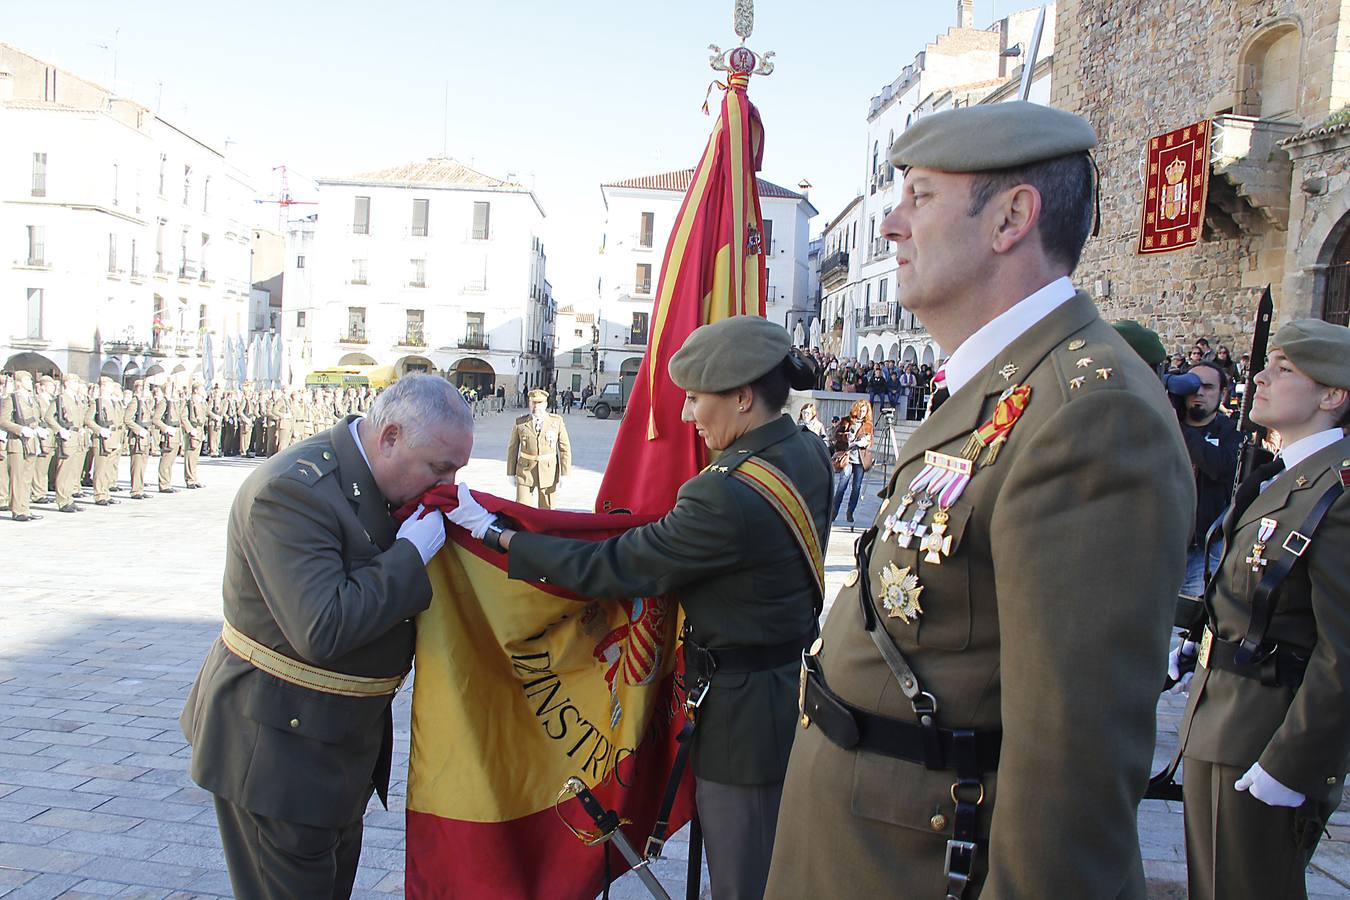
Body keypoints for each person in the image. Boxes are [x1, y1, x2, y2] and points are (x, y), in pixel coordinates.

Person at [767, 101, 1193, 898]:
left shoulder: (1090, 411)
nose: (891, 224)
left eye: (920, 196)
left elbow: (1074, 769)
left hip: (926, 863)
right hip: (861, 842)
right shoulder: (1001, 384)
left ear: (1011, 219)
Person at [447, 316, 831, 900]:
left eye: (696, 399)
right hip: (787, 696)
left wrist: (503, 539)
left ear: (744, 398)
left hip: (743, 724)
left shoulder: (724, 492)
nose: (686, 416)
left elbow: (614, 565)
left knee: (744, 880)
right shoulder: (804, 450)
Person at [180, 374, 469, 899]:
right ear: (390, 438)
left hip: (335, 747)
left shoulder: (379, 484)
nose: (444, 484)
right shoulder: (292, 492)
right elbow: (322, 626)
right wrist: (409, 556)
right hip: (276, 751)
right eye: (439, 467)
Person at [1174, 319, 1350, 900]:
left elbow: (1342, 652)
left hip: (1265, 736)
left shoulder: (1338, 491)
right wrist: (1201, 633)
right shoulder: (1288, 474)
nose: (1259, 377)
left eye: (1284, 369)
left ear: (1333, 395)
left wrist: (1292, 763)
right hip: (1221, 721)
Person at [1178, 361, 1241, 597]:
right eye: (1192, 387)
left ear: (1222, 393)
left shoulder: (1231, 433)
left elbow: (1219, 467)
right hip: (1162, 546)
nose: (1199, 393)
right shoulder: (1163, 427)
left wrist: (1180, 428)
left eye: (1208, 387)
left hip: (1204, 551)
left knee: (1190, 625)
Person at [506, 388, 572, 509]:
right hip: (525, 471)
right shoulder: (520, 423)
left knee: (547, 510)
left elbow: (564, 449)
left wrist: (565, 473)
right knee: (522, 509)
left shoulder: (556, 422)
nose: (536, 406)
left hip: (548, 471)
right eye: (533, 402)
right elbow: (513, 449)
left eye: (539, 402)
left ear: (546, 404)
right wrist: (510, 473)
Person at [1, 371, 45, 522]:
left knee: (27, 478)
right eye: (27, 380)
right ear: (18, 382)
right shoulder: (11, 399)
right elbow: (3, 421)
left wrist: (37, 429)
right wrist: (20, 430)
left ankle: (24, 507)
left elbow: (35, 419)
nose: (30, 382)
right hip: (17, 443)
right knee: (18, 478)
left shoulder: (31, 400)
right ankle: (18, 510)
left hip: (31, 442)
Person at [830, 398, 873, 524]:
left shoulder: (868, 425)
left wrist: (864, 442)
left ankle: (850, 512)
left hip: (860, 459)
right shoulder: (846, 421)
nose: (861, 413)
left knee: (856, 487)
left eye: (864, 411)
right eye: (860, 410)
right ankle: (834, 510)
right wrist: (846, 436)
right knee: (842, 484)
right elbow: (835, 435)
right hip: (847, 457)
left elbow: (871, 442)